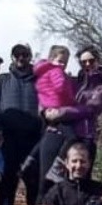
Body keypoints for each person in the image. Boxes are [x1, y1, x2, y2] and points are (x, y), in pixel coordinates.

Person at [0, 43, 42, 205]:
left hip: (33, 141)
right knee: (6, 184)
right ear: (12, 57)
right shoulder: (2, 80)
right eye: (17, 54)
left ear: (29, 57)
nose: (21, 58)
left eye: (24, 54)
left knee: (33, 184)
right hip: (8, 140)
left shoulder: (39, 81)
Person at [32, 45, 76, 192]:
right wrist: (72, 102)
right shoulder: (56, 72)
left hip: (49, 108)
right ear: (51, 59)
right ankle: (58, 165)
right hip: (57, 109)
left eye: (65, 62)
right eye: (60, 61)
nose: (62, 65)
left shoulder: (42, 72)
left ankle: (29, 161)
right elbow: (60, 87)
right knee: (72, 137)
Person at [64, 45, 102, 159]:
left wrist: (64, 112)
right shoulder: (77, 81)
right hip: (71, 133)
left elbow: (92, 108)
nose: (87, 64)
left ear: (98, 60)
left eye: (91, 61)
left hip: (88, 134)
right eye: (83, 62)